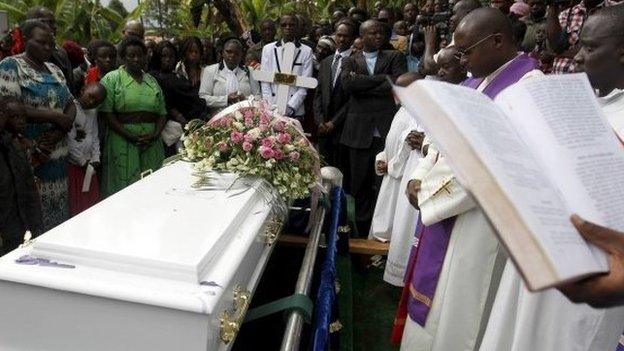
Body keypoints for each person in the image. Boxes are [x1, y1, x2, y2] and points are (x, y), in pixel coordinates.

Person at [480, 7, 624, 350]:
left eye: (590, 48)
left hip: (593, 275)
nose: (576, 57)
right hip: (540, 254)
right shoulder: (577, 98)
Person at [398, 9, 541, 351]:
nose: (460, 61)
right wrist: (417, 178)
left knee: (459, 310)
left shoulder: (528, 89)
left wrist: (429, 192)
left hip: (479, 218)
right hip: (445, 201)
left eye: (465, 52)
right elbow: (439, 138)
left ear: (497, 41)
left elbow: (495, 161)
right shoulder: (472, 82)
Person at [0, 20, 76, 232]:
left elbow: (71, 103)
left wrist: (58, 129)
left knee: (58, 217)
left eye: (51, 43)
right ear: (25, 40)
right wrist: (53, 116)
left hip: (57, 154)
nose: (47, 48)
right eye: (41, 42)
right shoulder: (10, 66)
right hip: (30, 155)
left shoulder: (54, 69)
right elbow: (9, 108)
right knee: (33, 217)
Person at [340, 19, 407, 236]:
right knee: (359, 188)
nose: (378, 36)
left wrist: (363, 82)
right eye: (373, 33)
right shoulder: (351, 60)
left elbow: (396, 84)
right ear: (362, 36)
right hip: (358, 134)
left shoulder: (395, 56)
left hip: (385, 132)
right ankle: (361, 233)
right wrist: (381, 80)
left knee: (384, 186)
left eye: (381, 33)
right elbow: (348, 86)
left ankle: (381, 234)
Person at [99, 36, 167, 197]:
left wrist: (155, 135)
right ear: (123, 57)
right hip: (122, 140)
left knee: (152, 187)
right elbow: (106, 113)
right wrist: (130, 136)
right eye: (131, 55)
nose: (136, 59)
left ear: (146, 56)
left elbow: (163, 113)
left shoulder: (152, 81)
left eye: (140, 55)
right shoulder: (111, 79)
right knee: (123, 190)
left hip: (151, 142)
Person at [369, 72, 423, 243]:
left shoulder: (419, 113)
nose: (395, 93)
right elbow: (392, 140)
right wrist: (382, 157)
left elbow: (408, 144)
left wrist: (392, 167)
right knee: (383, 214)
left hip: (401, 175)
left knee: (396, 219)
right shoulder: (402, 109)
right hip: (391, 172)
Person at [0, 97, 43, 255]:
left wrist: (35, 222)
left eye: (1, 113)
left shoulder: (13, 145)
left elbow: (29, 187)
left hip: (20, 224)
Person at [314, 20, 356, 169]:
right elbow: (318, 94)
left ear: (352, 38)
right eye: (339, 35)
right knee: (323, 169)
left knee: (341, 170)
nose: (342, 39)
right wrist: (319, 121)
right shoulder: (326, 62)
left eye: (346, 36)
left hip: (344, 128)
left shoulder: (356, 62)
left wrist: (334, 122)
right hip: (323, 129)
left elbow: (353, 98)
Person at [260, 14, 313, 120]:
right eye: (284, 25)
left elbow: (304, 85)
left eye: (291, 25)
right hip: (272, 109)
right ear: (279, 27)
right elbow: (264, 81)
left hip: (295, 111)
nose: (287, 27)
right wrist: (271, 106)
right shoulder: (268, 49)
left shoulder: (306, 51)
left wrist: (290, 107)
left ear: (297, 27)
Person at [546, 0, 619, 74]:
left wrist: (559, 54)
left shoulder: (617, 10)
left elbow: (599, 49)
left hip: (596, 79)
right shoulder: (567, 13)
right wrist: (552, 5)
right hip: (560, 76)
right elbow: (554, 47)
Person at [67, 83, 106, 216]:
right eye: (90, 97)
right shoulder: (72, 109)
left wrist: (96, 158)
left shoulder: (92, 112)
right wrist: (82, 162)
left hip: (89, 166)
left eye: (96, 101)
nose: (91, 102)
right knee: (78, 203)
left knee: (91, 203)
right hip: (76, 166)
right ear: (83, 90)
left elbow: (94, 136)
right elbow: (70, 140)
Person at [198, 37, 260, 116]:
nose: (232, 55)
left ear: (241, 55)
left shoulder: (250, 71)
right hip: (218, 120)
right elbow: (203, 98)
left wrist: (245, 99)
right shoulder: (210, 70)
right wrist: (226, 99)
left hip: (245, 120)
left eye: (236, 53)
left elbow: (258, 98)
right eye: (229, 52)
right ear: (222, 52)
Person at [25, 6, 76, 94]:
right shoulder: (13, 55)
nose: (55, 27)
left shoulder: (61, 53)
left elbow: (70, 87)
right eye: (50, 22)